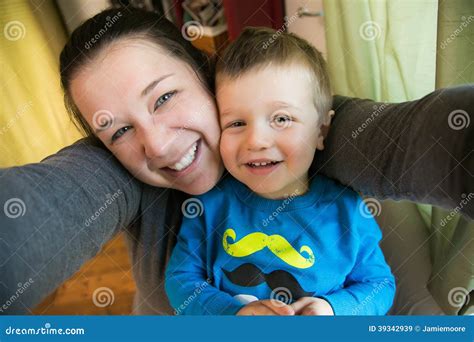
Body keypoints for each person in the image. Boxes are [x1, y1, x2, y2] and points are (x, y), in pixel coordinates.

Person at [0, 7, 471, 315]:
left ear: (206, 74)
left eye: (164, 97)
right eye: (118, 131)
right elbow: (48, 204)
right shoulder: (193, 209)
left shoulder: (319, 147)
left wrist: (332, 311)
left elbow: (424, 136)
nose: (159, 147)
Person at [165, 28, 395, 316]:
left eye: (281, 118)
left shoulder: (346, 210)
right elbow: (180, 281)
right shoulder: (209, 205)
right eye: (236, 123)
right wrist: (231, 314)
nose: (256, 141)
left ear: (321, 130)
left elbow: (379, 285)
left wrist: (332, 309)